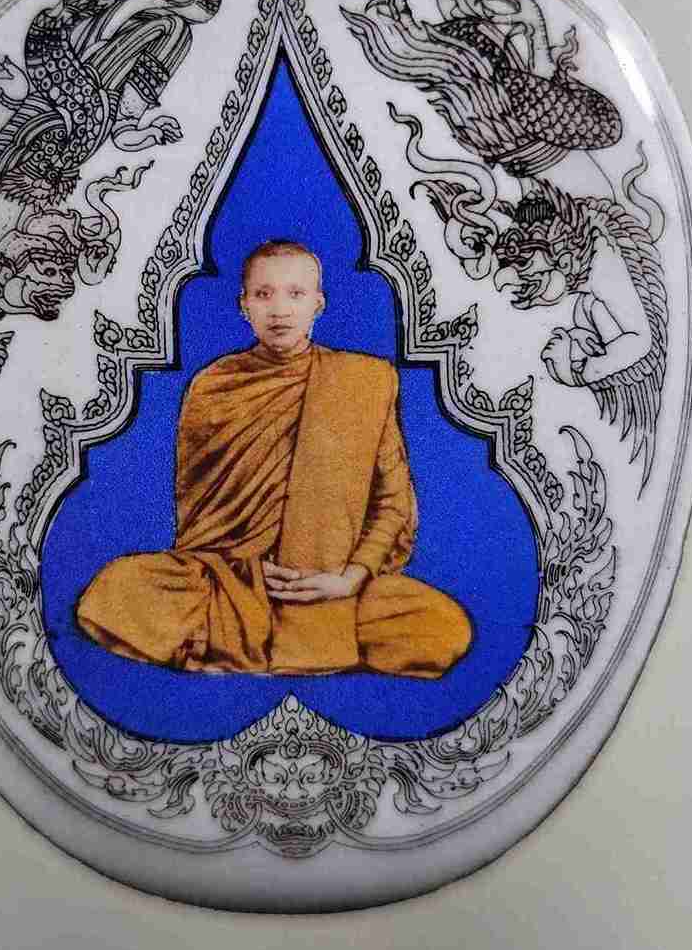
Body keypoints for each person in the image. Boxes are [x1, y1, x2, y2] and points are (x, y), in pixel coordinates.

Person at [76, 240, 472, 676]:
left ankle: (230, 642)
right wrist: (242, 570)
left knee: (443, 626)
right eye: (264, 294)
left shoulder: (367, 380)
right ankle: (246, 630)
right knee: (117, 589)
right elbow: (200, 519)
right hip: (232, 582)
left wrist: (350, 577)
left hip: (334, 583)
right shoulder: (214, 385)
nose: (280, 310)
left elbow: (392, 504)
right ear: (244, 305)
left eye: (295, 294)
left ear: (318, 303)